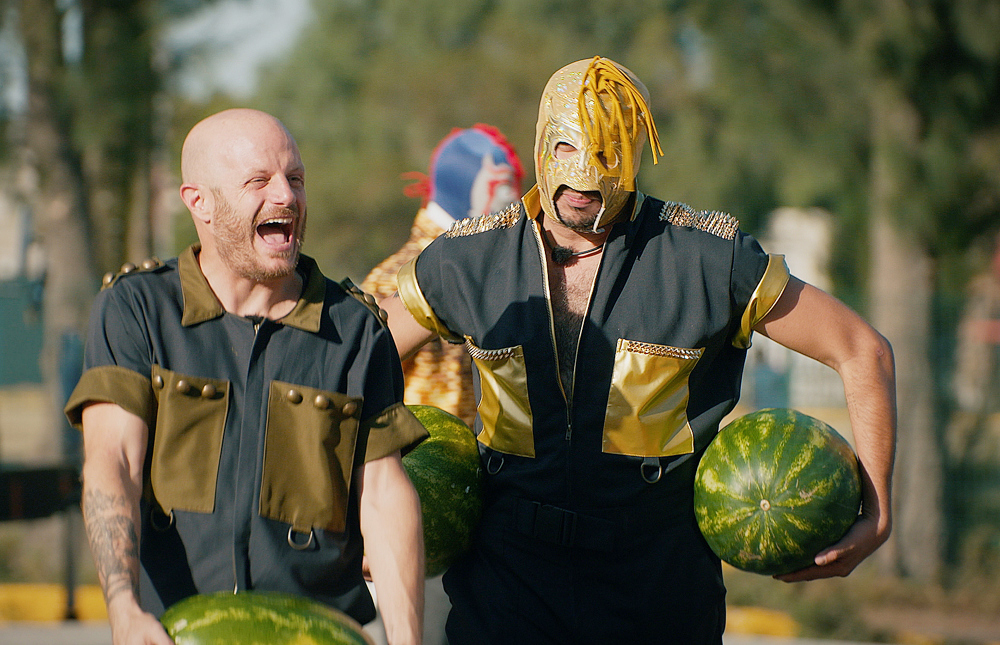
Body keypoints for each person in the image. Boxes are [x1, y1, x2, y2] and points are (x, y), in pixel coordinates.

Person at [380, 57, 897, 644]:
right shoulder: (471, 259)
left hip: (657, 590)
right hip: (506, 589)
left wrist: (877, 510)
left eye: (607, 153)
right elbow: (354, 359)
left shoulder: (706, 259)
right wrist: (357, 508)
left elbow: (863, 351)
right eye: (567, 147)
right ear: (543, 142)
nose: (584, 175)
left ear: (635, 153)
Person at [64, 108, 428, 645]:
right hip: (174, 634)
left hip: (318, 633)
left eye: (295, 178)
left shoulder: (354, 328)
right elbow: (113, 460)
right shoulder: (138, 310)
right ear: (200, 202)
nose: (286, 196)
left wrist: (406, 639)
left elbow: (383, 493)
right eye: (259, 181)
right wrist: (123, 608)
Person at [362, 124, 524, 427]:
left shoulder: (490, 270)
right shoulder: (393, 280)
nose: (516, 201)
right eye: (503, 186)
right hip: (419, 451)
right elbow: (357, 386)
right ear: (464, 186)